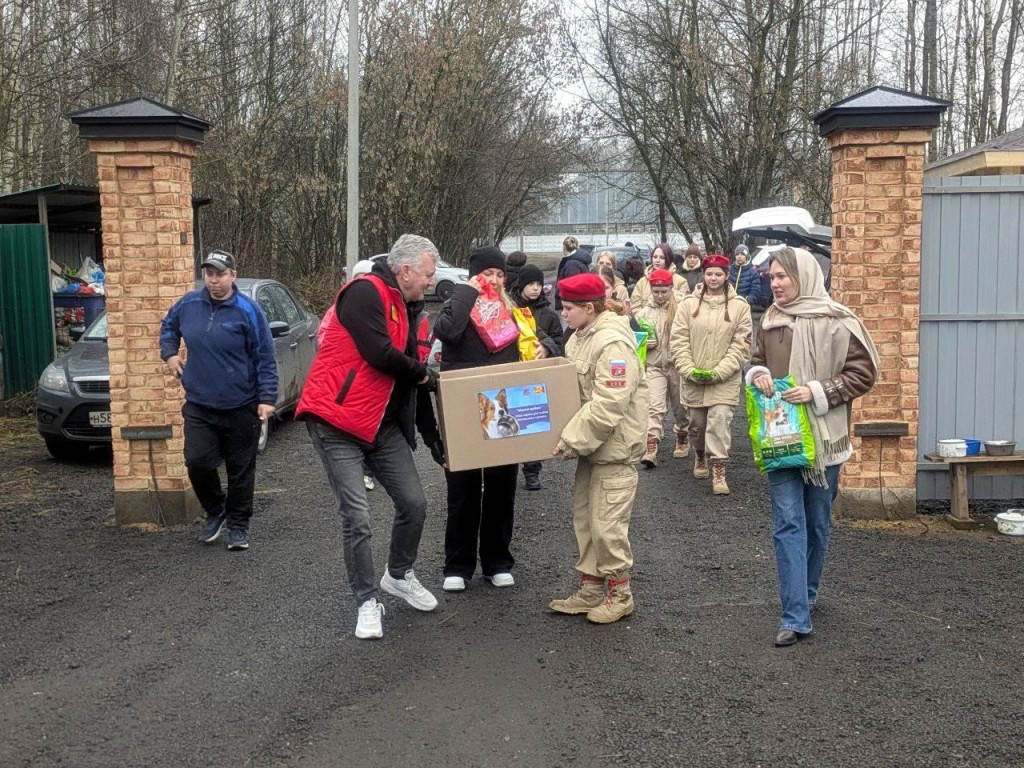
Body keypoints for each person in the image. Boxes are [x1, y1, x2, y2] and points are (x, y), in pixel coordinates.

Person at [297, 234, 444, 640]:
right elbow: (380, 354)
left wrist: (434, 440)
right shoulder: (364, 292)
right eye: (428, 274)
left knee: (414, 503)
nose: (431, 281)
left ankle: (398, 574)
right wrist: (423, 374)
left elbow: (412, 380)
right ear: (406, 271)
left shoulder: (411, 307)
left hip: (382, 425)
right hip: (337, 421)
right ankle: (366, 600)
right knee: (357, 516)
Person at [746, 247, 878, 647]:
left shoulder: (838, 321)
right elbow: (755, 360)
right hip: (782, 438)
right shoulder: (771, 320)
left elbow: (863, 373)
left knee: (818, 524)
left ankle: (807, 594)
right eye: (771, 278)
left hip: (824, 442)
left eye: (781, 276)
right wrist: (758, 375)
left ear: (802, 276)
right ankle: (795, 615)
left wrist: (817, 390)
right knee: (788, 523)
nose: (775, 284)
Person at [433, 246, 542, 592]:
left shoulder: (512, 310)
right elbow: (447, 332)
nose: (493, 280)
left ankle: (497, 561)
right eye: (487, 274)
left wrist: (547, 349)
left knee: (501, 486)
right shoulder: (457, 302)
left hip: (502, 403)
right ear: (473, 276)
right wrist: (468, 292)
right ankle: (457, 565)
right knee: (462, 489)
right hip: (462, 405)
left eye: (499, 275)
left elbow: (538, 341)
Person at [160, 250, 278, 552]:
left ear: (232, 276)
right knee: (197, 461)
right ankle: (216, 509)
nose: (214, 280)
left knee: (240, 469)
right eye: (209, 274)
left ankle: (238, 524)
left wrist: (267, 397)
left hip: (241, 405)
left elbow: (265, 355)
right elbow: (168, 326)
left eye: (220, 274)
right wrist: (170, 353)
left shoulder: (248, 310)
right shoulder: (189, 304)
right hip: (200, 404)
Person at [549, 272, 648, 624]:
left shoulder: (612, 344)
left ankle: (621, 594)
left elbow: (609, 403)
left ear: (589, 308)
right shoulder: (580, 337)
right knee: (586, 519)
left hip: (614, 449)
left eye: (568, 308)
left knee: (608, 525)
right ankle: (591, 587)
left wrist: (571, 439)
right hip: (594, 448)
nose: (563, 314)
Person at [670, 253, 751, 495]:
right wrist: (687, 368)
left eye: (718, 274)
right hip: (693, 376)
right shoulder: (688, 305)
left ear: (726, 276)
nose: (713, 278)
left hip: (724, 379)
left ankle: (719, 470)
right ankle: (699, 453)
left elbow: (741, 344)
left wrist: (720, 372)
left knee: (719, 421)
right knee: (697, 425)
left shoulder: (740, 307)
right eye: (709, 274)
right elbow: (678, 339)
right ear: (703, 275)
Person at [511, 263, 564, 491]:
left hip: (536, 377)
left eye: (538, 284)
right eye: (530, 284)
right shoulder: (509, 309)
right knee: (510, 423)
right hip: (513, 374)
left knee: (533, 422)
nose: (535, 288)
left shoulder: (549, 315)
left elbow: (560, 342)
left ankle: (532, 471)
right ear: (521, 285)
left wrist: (547, 348)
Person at [634, 268, 689, 466]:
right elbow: (636, 342)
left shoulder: (683, 307)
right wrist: (643, 343)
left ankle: (682, 435)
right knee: (654, 407)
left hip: (678, 366)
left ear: (671, 288)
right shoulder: (643, 313)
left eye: (663, 291)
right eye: (655, 291)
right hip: (654, 366)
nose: (659, 295)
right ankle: (651, 445)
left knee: (681, 408)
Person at [631, 242, 689, 308]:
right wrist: (645, 314)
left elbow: (685, 308)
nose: (657, 260)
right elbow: (635, 306)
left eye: (662, 258)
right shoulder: (642, 282)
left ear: (669, 259)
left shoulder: (681, 282)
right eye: (655, 257)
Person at [554, 236, 591, 309]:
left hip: (572, 304)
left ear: (564, 247)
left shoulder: (572, 263)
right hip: (579, 301)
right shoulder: (578, 260)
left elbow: (571, 286)